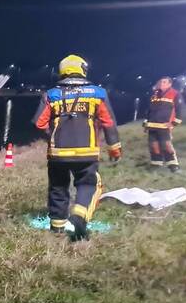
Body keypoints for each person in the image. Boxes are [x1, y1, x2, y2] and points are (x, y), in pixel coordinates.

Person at [33, 54, 121, 241]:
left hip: (58, 153)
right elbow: (108, 122)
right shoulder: (98, 93)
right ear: (83, 69)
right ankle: (79, 216)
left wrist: (53, 136)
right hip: (86, 152)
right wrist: (114, 147)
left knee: (58, 187)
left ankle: (57, 227)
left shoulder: (51, 94)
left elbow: (39, 124)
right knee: (89, 184)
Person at [144, 76, 182, 171]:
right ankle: (156, 164)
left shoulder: (175, 94)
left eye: (164, 82)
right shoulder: (154, 94)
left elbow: (179, 110)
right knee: (153, 145)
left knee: (166, 145)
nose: (161, 84)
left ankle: (173, 165)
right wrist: (146, 121)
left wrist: (174, 123)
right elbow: (149, 109)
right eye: (161, 82)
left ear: (170, 84)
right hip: (152, 125)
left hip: (164, 125)